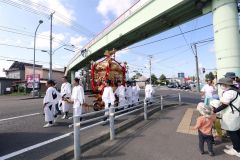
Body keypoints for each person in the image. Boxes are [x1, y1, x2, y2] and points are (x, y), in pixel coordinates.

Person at [213, 77, 240, 158]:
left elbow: (225, 104)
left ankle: (237, 150)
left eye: (220, 84)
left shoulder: (229, 93)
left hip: (231, 115)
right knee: (236, 132)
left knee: (232, 132)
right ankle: (236, 146)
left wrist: (215, 110)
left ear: (225, 85)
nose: (220, 86)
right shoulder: (234, 90)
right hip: (235, 114)